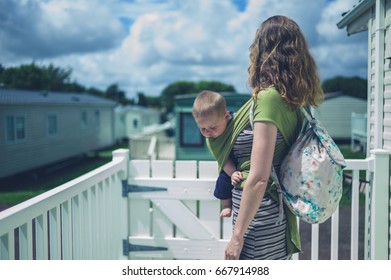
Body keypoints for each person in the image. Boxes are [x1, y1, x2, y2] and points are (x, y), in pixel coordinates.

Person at [207, 15, 323, 259]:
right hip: (267, 214)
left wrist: (237, 238)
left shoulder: (268, 99)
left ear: (263, 51)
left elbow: (259, 177)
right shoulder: (293, 101)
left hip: (258, 220)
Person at [192, 90, 243, 218]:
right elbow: (223, 159)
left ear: (226, 117)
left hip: (244, 157)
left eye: (213, 127)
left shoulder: (237, 122)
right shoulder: (211, 140)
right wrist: (233, 173)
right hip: (229, 164)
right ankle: (226, 205)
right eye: (203, 128)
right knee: (222, 182)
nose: (208, 132)